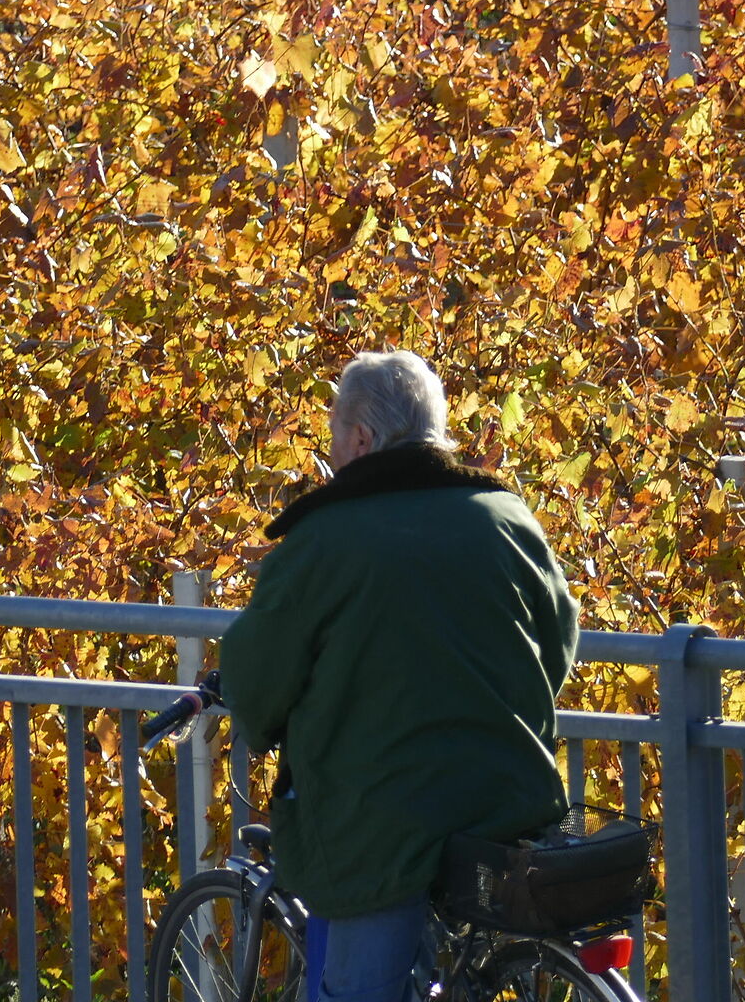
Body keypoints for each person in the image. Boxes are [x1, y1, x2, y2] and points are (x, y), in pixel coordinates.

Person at [222, 350, 582, 1002]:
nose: (332, 453)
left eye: (335, 435)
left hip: (380, 822)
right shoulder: (506, 517)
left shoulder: (324, 539)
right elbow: (557, 645)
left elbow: (256, 683)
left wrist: (269, 721)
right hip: (505, 802)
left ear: (360, 438)